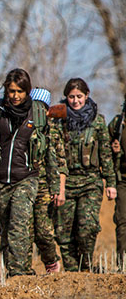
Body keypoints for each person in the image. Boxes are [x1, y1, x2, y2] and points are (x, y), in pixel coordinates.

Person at [0, 69, 64, 277]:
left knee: (19, 225)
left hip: (27, 178)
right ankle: (14, 271)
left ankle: (19, 274)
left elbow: (49, 151)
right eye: (11, 91)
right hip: (0, 179)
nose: (15, 96)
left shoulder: (38, 114)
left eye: (20, 91)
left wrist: (55, 185)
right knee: (5, 228)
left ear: (27, 91)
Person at [52, 78, 116, 271]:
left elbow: (105, 153)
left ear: (87, 96)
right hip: (66, 182)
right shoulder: (58, 120)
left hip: (90, 182)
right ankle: (72, 272)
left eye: (79, 96)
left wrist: (111, 182)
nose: (75, 101)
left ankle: (85, 266)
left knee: (87, 227)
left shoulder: (98, 121)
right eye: (71, 97)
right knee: (64, 231)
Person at [28, 87, 62, 273]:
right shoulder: (23, 125)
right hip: (24, 182)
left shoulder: (51, 131)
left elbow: (56, 162)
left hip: (43, 187)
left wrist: (57, 188)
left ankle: (51, 262)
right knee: (25, 231)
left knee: (43, 230)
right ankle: (23, 272)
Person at [108, 101, 126, 271]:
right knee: (122, 222)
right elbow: (103, 149)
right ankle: (123, 266)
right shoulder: (117, 123)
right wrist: (114, 150)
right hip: (123, 181)